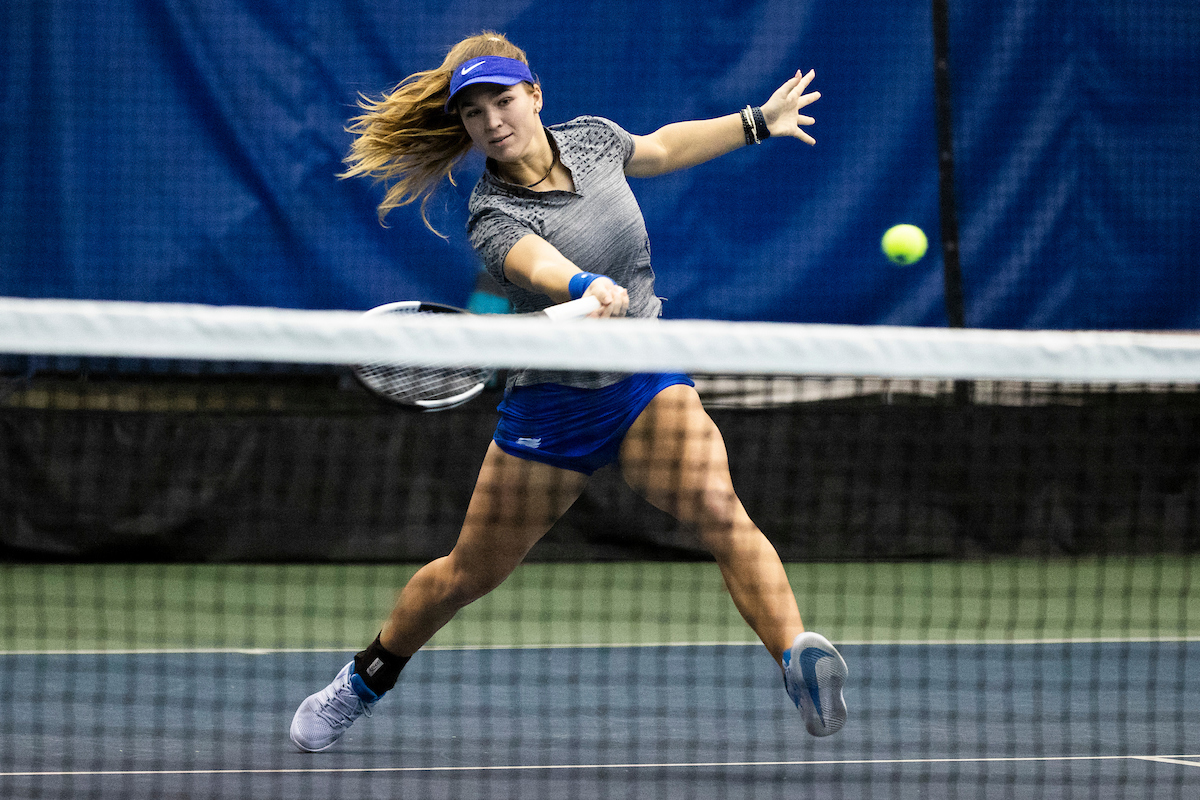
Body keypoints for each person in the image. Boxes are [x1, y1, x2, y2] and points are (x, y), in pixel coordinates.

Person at [290, 31, 847, 752]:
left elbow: (662, 149)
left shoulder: (592, 139)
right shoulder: (491, 214)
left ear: (534, 95)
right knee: (467, 574)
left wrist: (754, 122)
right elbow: (537, 264)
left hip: (645, 373)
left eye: (503, 100)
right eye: (474, 112)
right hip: (552, 406)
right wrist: (583, 286)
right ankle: (365, 678)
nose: (492, 120)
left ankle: (796, 652)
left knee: (715, 503)